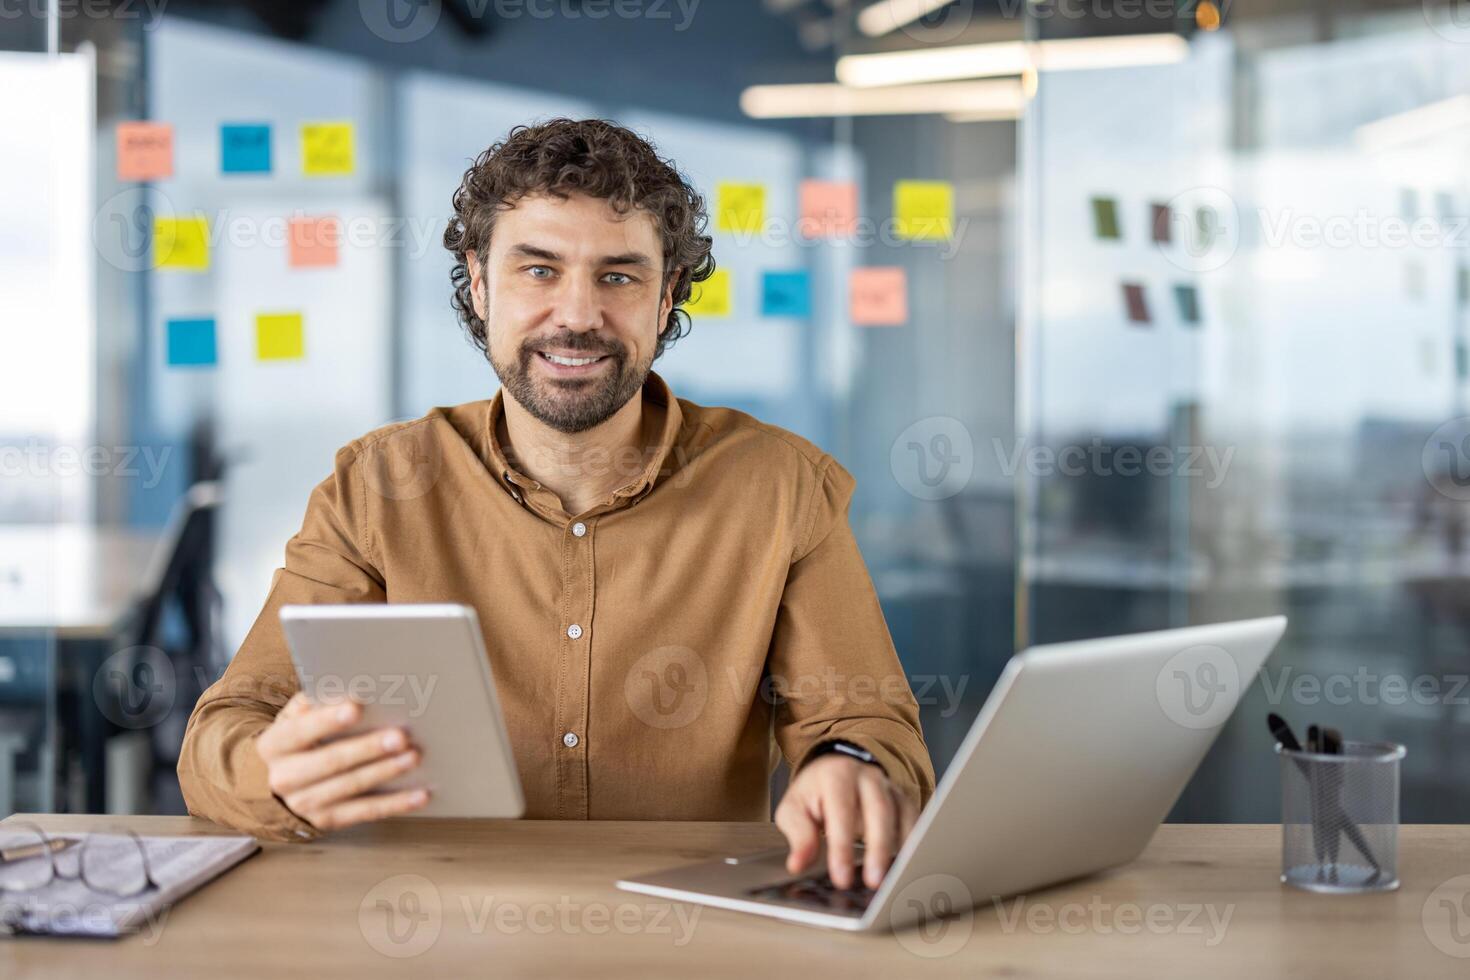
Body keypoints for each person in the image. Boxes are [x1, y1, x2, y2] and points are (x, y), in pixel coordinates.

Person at [178, 118, 935, 891]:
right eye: (538, 271)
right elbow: (227, 726)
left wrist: (851, 767)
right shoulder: (378, 487)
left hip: (693, 933)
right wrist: (271, 773)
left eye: (618, 276)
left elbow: (868, 723)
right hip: (427, 926)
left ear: (667, 292)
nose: (577, 316)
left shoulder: (780, 486)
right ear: (478, 282)